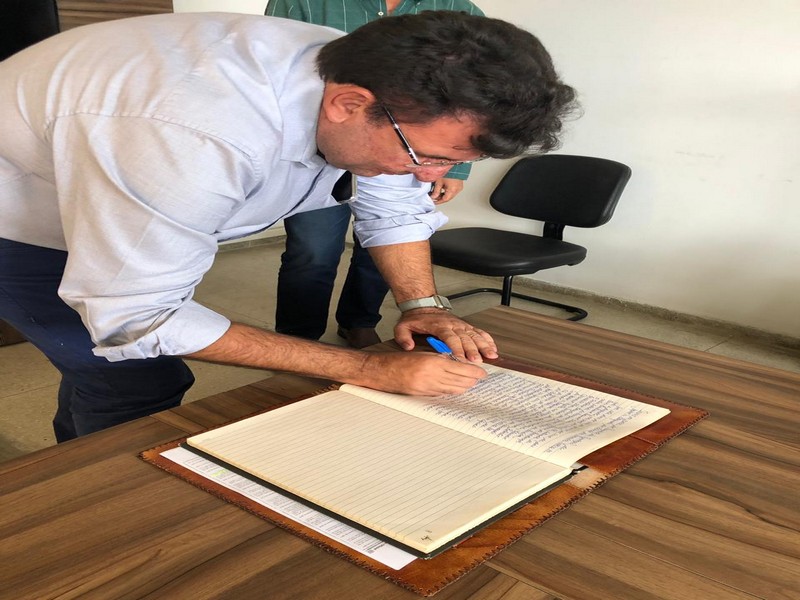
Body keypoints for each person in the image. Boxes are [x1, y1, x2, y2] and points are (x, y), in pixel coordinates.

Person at [0, 11, 575, 441]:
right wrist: (366, 366)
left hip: (112, 177)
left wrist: (423, 306)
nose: (431, 176)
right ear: (348, 105)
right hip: (19, 222)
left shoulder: (380, 82)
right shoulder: (194, 130)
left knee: (99, 364)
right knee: (133, 378)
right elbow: (136, 318)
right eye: (426, 156)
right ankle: (93, 509)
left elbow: (394, 206)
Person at [266, 0, 485, 349]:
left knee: (380, 254)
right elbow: (277, 71)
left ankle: (360, 322)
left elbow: (472, 103)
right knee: (312, 251)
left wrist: (425, 308)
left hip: (398, 147)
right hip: (311, 149)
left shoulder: (458, 9)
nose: (430, 174)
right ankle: (298, 337)